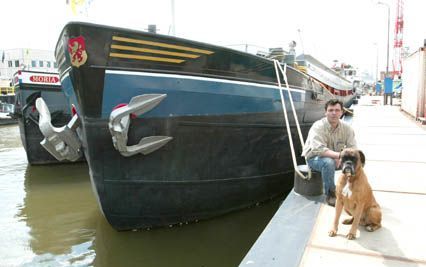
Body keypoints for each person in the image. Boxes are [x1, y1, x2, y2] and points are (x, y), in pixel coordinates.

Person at [302, 99, 357, 206]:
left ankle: (351, 190)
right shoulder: (318, 126)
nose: (334, 113)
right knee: (328, 162)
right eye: (330, 110)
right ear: (325, 112)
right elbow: (318, 149)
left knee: (356, 161)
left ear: (341, 112)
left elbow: (353, 149)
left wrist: (343, 158)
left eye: (337, 110)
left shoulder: (347, 128)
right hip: (315, 159)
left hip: (337, 158)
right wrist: (339, 156)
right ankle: (331, 194)